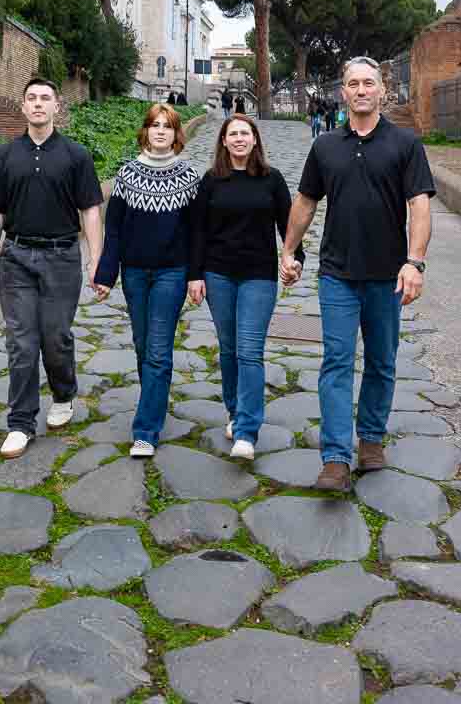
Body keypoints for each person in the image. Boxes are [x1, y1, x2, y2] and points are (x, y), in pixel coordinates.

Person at [280, 56, 435, 492]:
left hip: (388, 276)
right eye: (353, 83)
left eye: (369, 83)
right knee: (335, 362)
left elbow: (419, 206)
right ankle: (334, 458)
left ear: (382, 90)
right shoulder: (325, 146)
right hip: (337, 275)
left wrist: (415, 261)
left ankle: (370, 439)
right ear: (343, 93)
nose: (361, 90)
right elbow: (306, 202)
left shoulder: (406, 145)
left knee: (382, 362)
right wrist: (289, 249)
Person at [0, 78, 104, 459]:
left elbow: (91, 211)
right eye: (31, 98)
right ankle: (20, 422)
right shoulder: (5, 156)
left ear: (57, 107)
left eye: (45, 98)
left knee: (55, 338)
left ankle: (64, 393)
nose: (38, 104)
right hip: (16, 257)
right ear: (23, 107)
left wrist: (96, 259)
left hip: (62, 258)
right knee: (21, 343)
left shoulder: (76, 156)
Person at [188, 116, 304, 461]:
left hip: (258, 275)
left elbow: (289, 226)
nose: (239, 139)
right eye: (232, 134)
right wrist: (195, 275)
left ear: (255, 140)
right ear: (223, 141)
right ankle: (234, 409)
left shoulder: (272, 180)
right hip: (218, 274)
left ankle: (246, 431)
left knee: (250, 350)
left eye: (245, 133)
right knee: (229, 349)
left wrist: (295, 258)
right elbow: (197, 232)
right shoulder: (210, 181)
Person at [93, 104, 200, 456]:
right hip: (135, 274)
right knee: (142, 345)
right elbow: (115, 230)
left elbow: (196, 234)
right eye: (154, 125)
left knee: (157, 350)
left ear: (175, 135)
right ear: (145, 131)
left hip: (172, 273)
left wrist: (195, 276)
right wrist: (106, 274)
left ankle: (146, 430)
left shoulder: (188, 177)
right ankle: (154, 401)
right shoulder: (127, 175)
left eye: (167, 127)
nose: (160, 132)